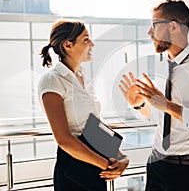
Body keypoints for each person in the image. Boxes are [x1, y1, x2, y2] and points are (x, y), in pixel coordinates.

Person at [119, 0, 189, 191]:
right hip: (156, 166)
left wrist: (168, 106)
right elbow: (160, 117)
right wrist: (138, 105)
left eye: (154, 25)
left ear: (174, 27)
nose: (149, 32)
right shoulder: (163, 66)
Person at [38, 20, 129, 191]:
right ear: (67, 45)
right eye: (86, 39)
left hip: (95, 164)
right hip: (74, 168)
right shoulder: (53, 80)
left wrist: (121, 158)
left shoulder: (84, 79)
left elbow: (95, 126)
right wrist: (105, 164)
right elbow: (63, 139)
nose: (92, 44)